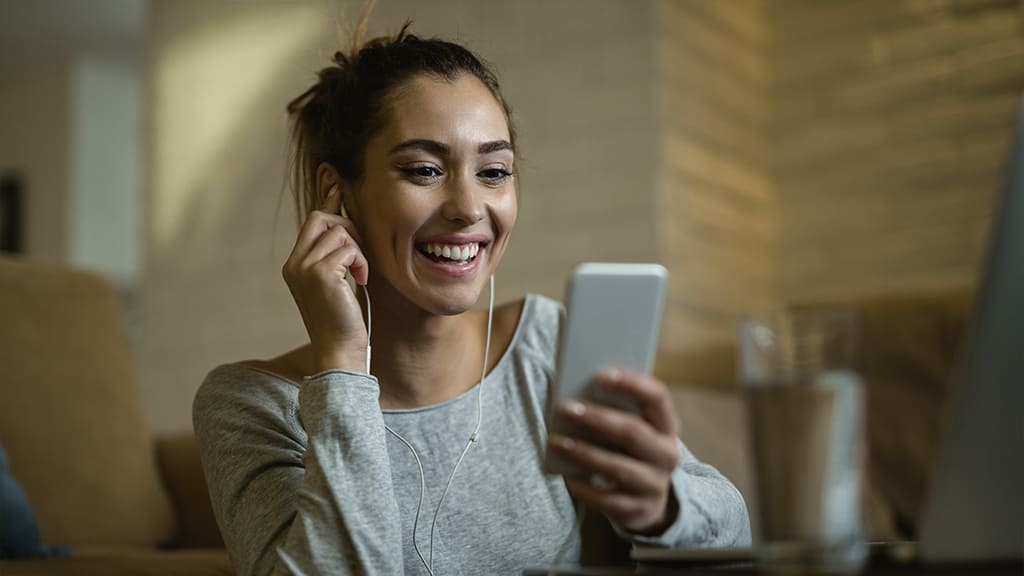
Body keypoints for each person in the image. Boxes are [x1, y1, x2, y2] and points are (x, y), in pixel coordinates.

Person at [193, 19, 751, 576]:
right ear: (337, 193)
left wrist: (662, 506)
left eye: (493, 171)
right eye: (425, 169)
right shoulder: (248, 404)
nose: (467, 206)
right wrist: (341, 359)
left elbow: (735, 527)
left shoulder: (547, 345)